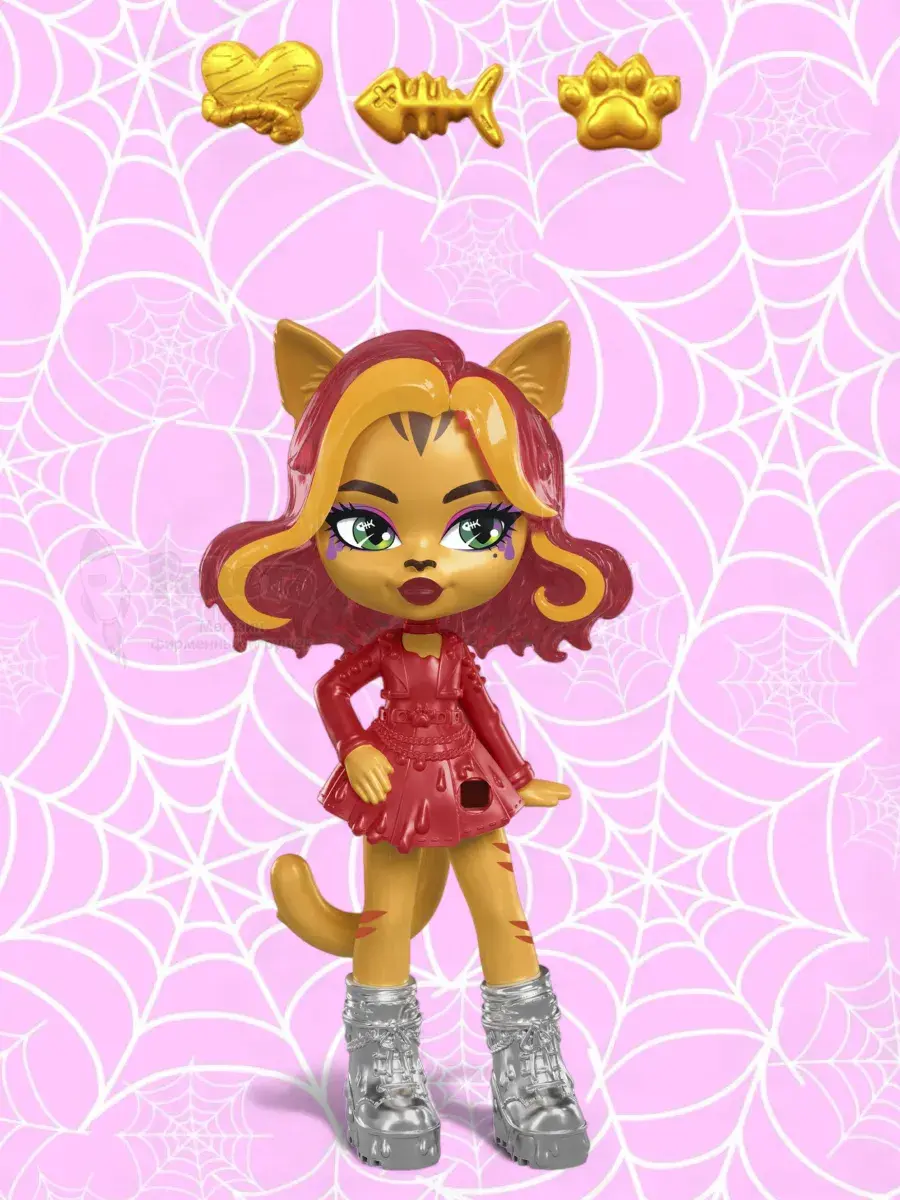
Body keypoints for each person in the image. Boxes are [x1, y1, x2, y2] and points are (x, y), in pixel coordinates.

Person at [200, 319, 633, 1170]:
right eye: (367, 528)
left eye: (478, 529)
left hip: (469, 784)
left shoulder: (458, 655)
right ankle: (385, 1072)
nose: (423, 560)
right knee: (387, 913)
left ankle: (530, 1071)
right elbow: (333, 690)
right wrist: (354, 747)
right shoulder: (383, 652)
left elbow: (484, 712)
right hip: (395, 782)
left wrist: (518, 774)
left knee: (501, 909)